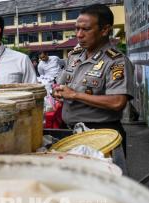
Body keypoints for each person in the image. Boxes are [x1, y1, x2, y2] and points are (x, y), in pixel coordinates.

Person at [53, 4, 133, 154]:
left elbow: (117, 102)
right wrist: (57, 91)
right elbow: (61, 84)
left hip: (102, 135)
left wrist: (75, 95)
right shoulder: (74, 56)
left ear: (104, 30)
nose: (79, 34)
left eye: (86, 29)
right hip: (72, 132)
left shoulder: (116, 62)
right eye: (77, 28)